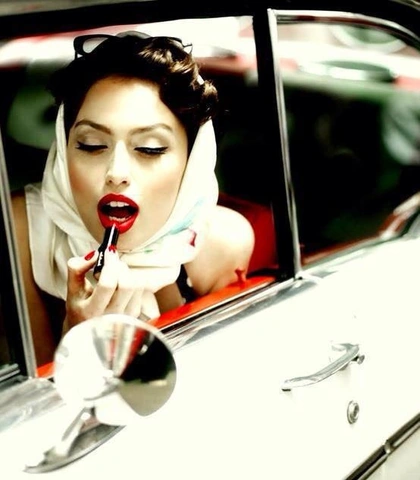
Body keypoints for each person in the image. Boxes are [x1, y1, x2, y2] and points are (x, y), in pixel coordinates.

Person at [11, 31, 255, 366]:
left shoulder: (221, 244)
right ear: (64, 150)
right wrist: (79, 337)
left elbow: (217, 372)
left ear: (191, 162)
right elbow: (27, 393)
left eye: (149, 149)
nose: (117, 173)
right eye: (92, 145)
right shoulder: (18, 233)